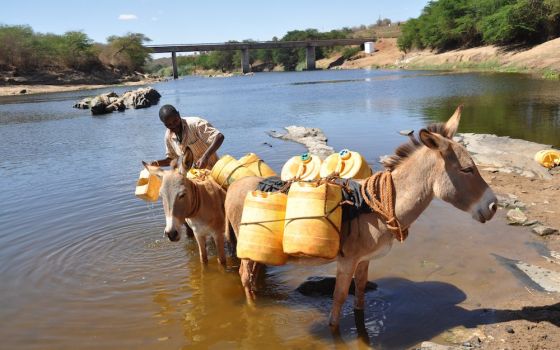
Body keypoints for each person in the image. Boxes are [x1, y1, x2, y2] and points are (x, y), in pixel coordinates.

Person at [148, 104, 224, 169]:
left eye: (175, 121)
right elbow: (172, 159)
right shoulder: (168, 136)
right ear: (164, 124)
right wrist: (157, 163)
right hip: (193, 177)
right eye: (169, 124)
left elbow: (219, 137)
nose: (174, 125)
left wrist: (205, 157)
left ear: (178, 114)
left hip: (214, 170)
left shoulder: (195, 124)